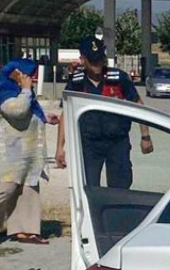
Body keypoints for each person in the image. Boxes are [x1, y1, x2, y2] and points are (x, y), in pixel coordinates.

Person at [0, 59, 60, 247]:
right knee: (3, 191)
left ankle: (25, 230)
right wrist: (26, 89)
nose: (31, 79)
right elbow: (17, 110)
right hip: (7, 153)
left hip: (26, 153)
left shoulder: (21, 90)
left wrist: (43, 116)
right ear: (17, 74)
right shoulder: (2, 87)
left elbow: (28, 108)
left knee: (28, 188)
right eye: (28, 75)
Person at [56, 36, 153, 188]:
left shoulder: (118, 78)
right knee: (88, 187)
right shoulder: (76, 83)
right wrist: (59, 148)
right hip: (90, 144)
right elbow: (65, 115)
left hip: (117, 142)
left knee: (120, 188)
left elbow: (138, 105)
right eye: (93, 60)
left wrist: (145, 136)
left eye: (100, 58)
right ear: (83, 59)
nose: (97, 64)